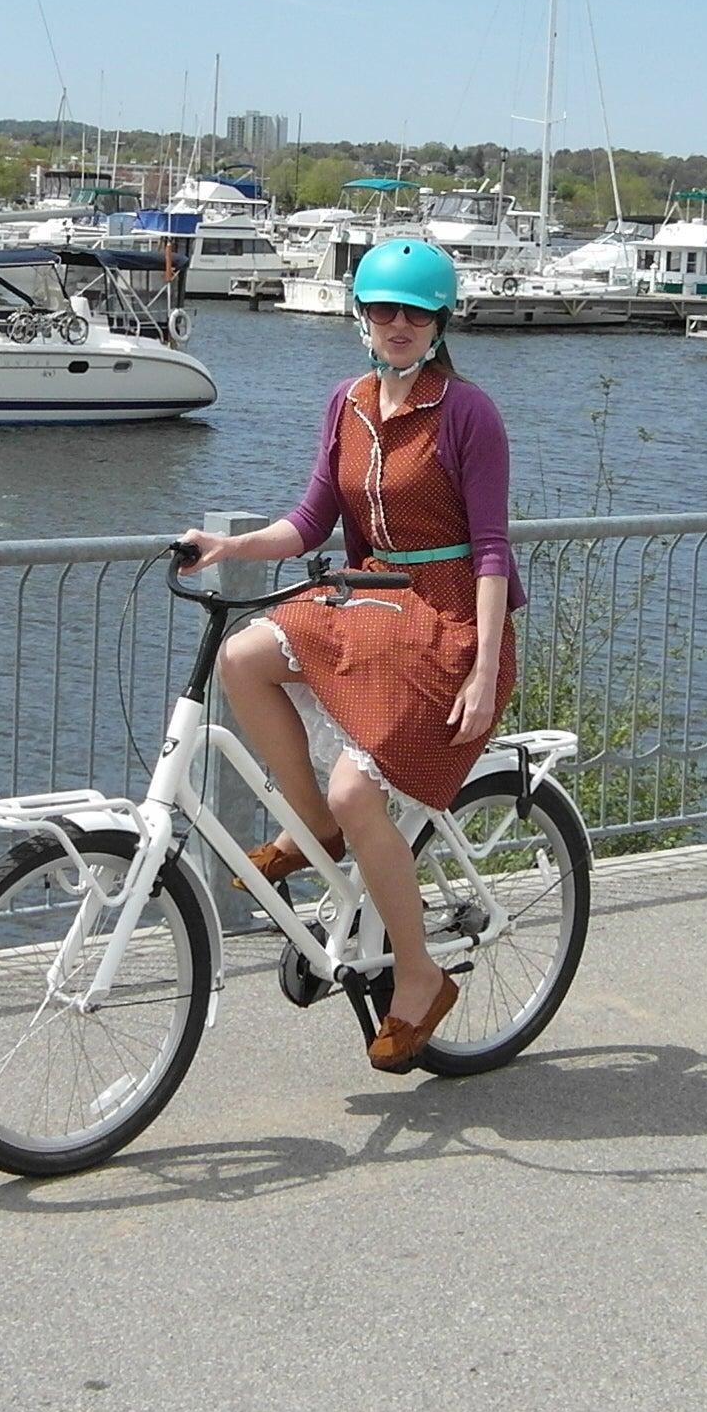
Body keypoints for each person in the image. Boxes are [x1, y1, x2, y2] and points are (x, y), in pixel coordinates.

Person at [176, 237, 521, 1073]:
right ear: (360, 318)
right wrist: (228, 546)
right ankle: (319, 833)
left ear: (440, 322)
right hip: (370, 603)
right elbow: (309, 521)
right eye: (381, 310)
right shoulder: (349, 401)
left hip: (449, 622)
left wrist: (482, 668)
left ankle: (419, 976)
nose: (395, 324)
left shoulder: (468, 413)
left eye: (413, 311)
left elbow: (491, 550)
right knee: (245, 657)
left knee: (358, 785)